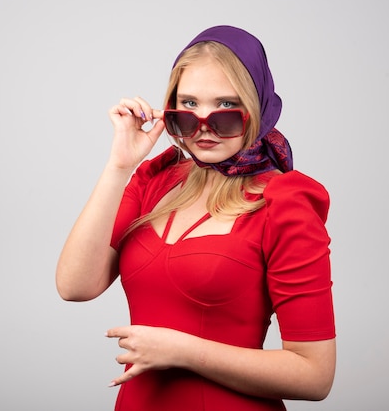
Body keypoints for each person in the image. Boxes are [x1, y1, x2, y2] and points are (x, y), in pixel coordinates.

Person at [56, 25, 336, 411]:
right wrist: (119, 165)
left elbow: (315, 375)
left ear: (258, 108)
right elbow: (75, 285)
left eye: (225, 106)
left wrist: (184, 350)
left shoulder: (284, 204)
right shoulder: (156, 179)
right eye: (188, 105)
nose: (204, 125)